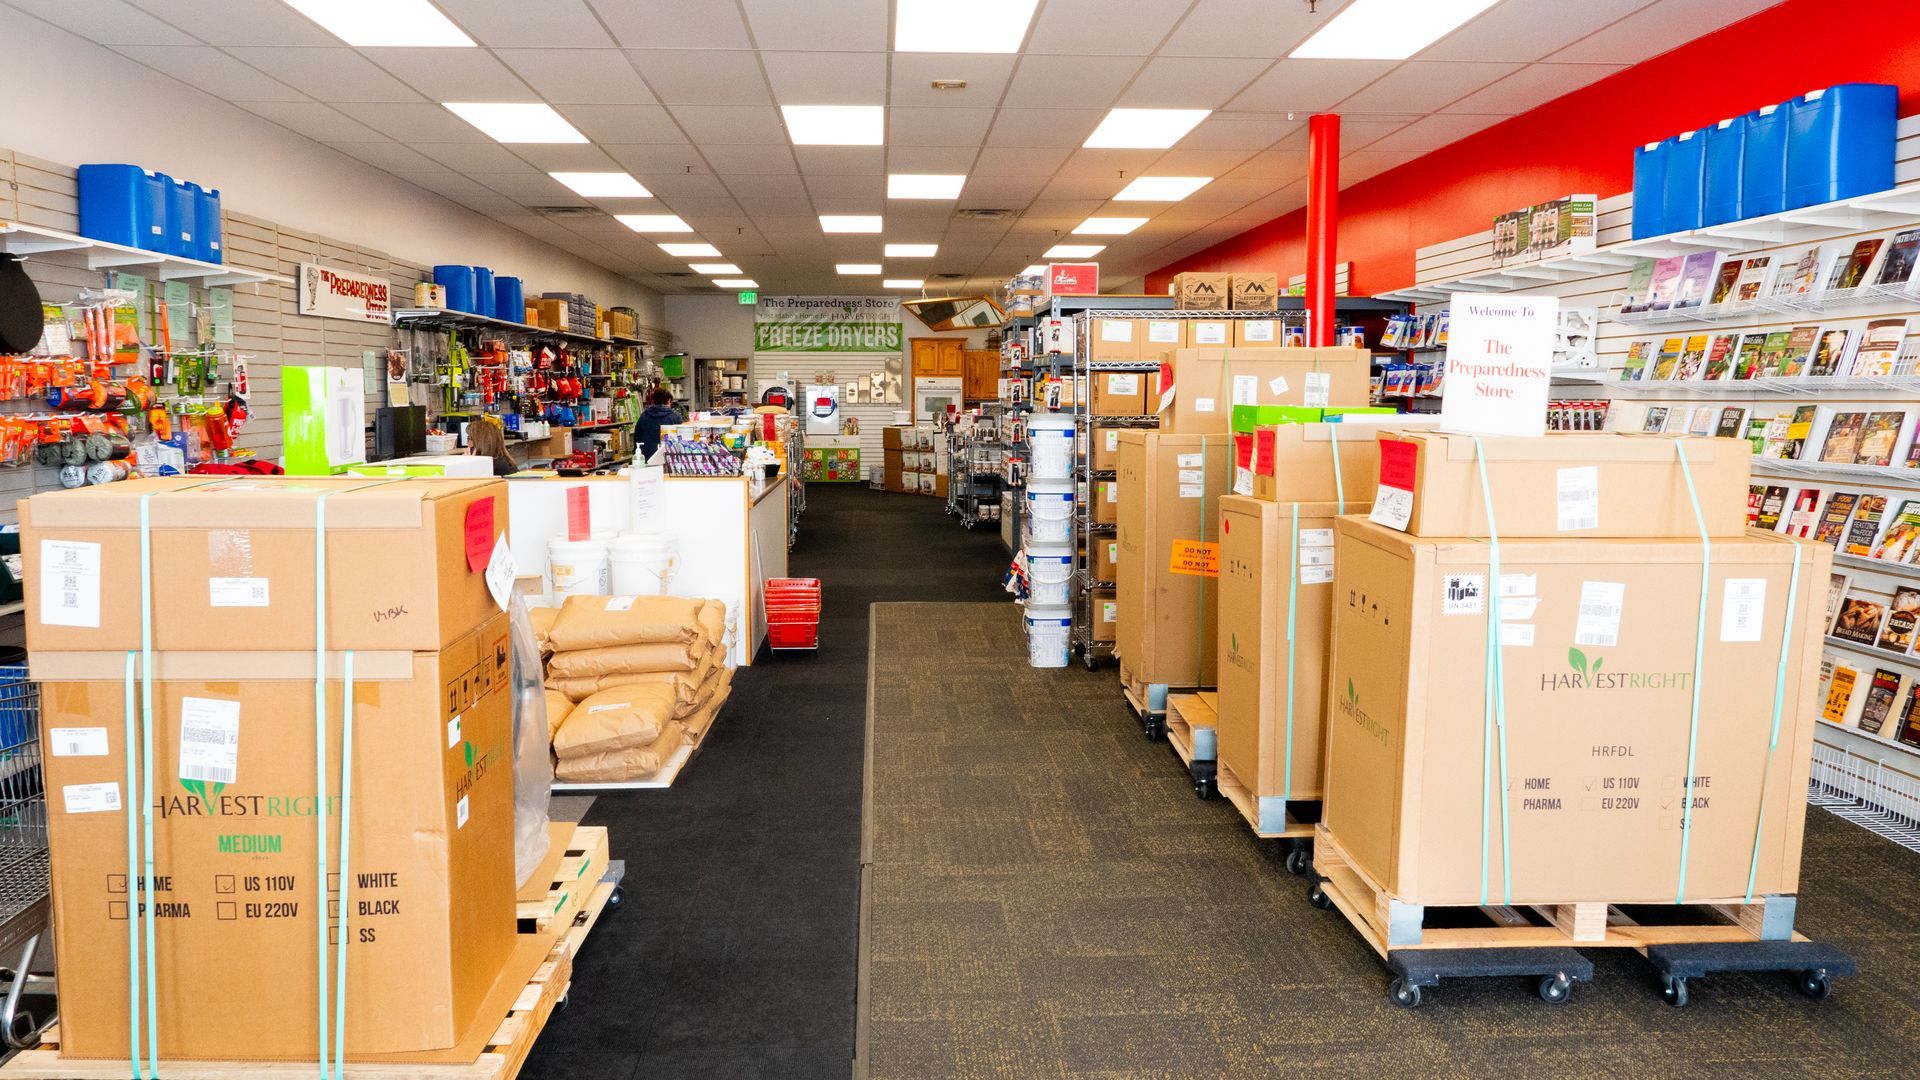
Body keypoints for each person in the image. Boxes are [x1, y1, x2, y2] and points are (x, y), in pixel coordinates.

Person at [635, 389, 683, 462]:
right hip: (668, 459)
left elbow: (637, 438)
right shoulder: (674, 417)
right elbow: (680, 441)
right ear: (669, 401)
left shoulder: (644, 416)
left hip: (645, 459)